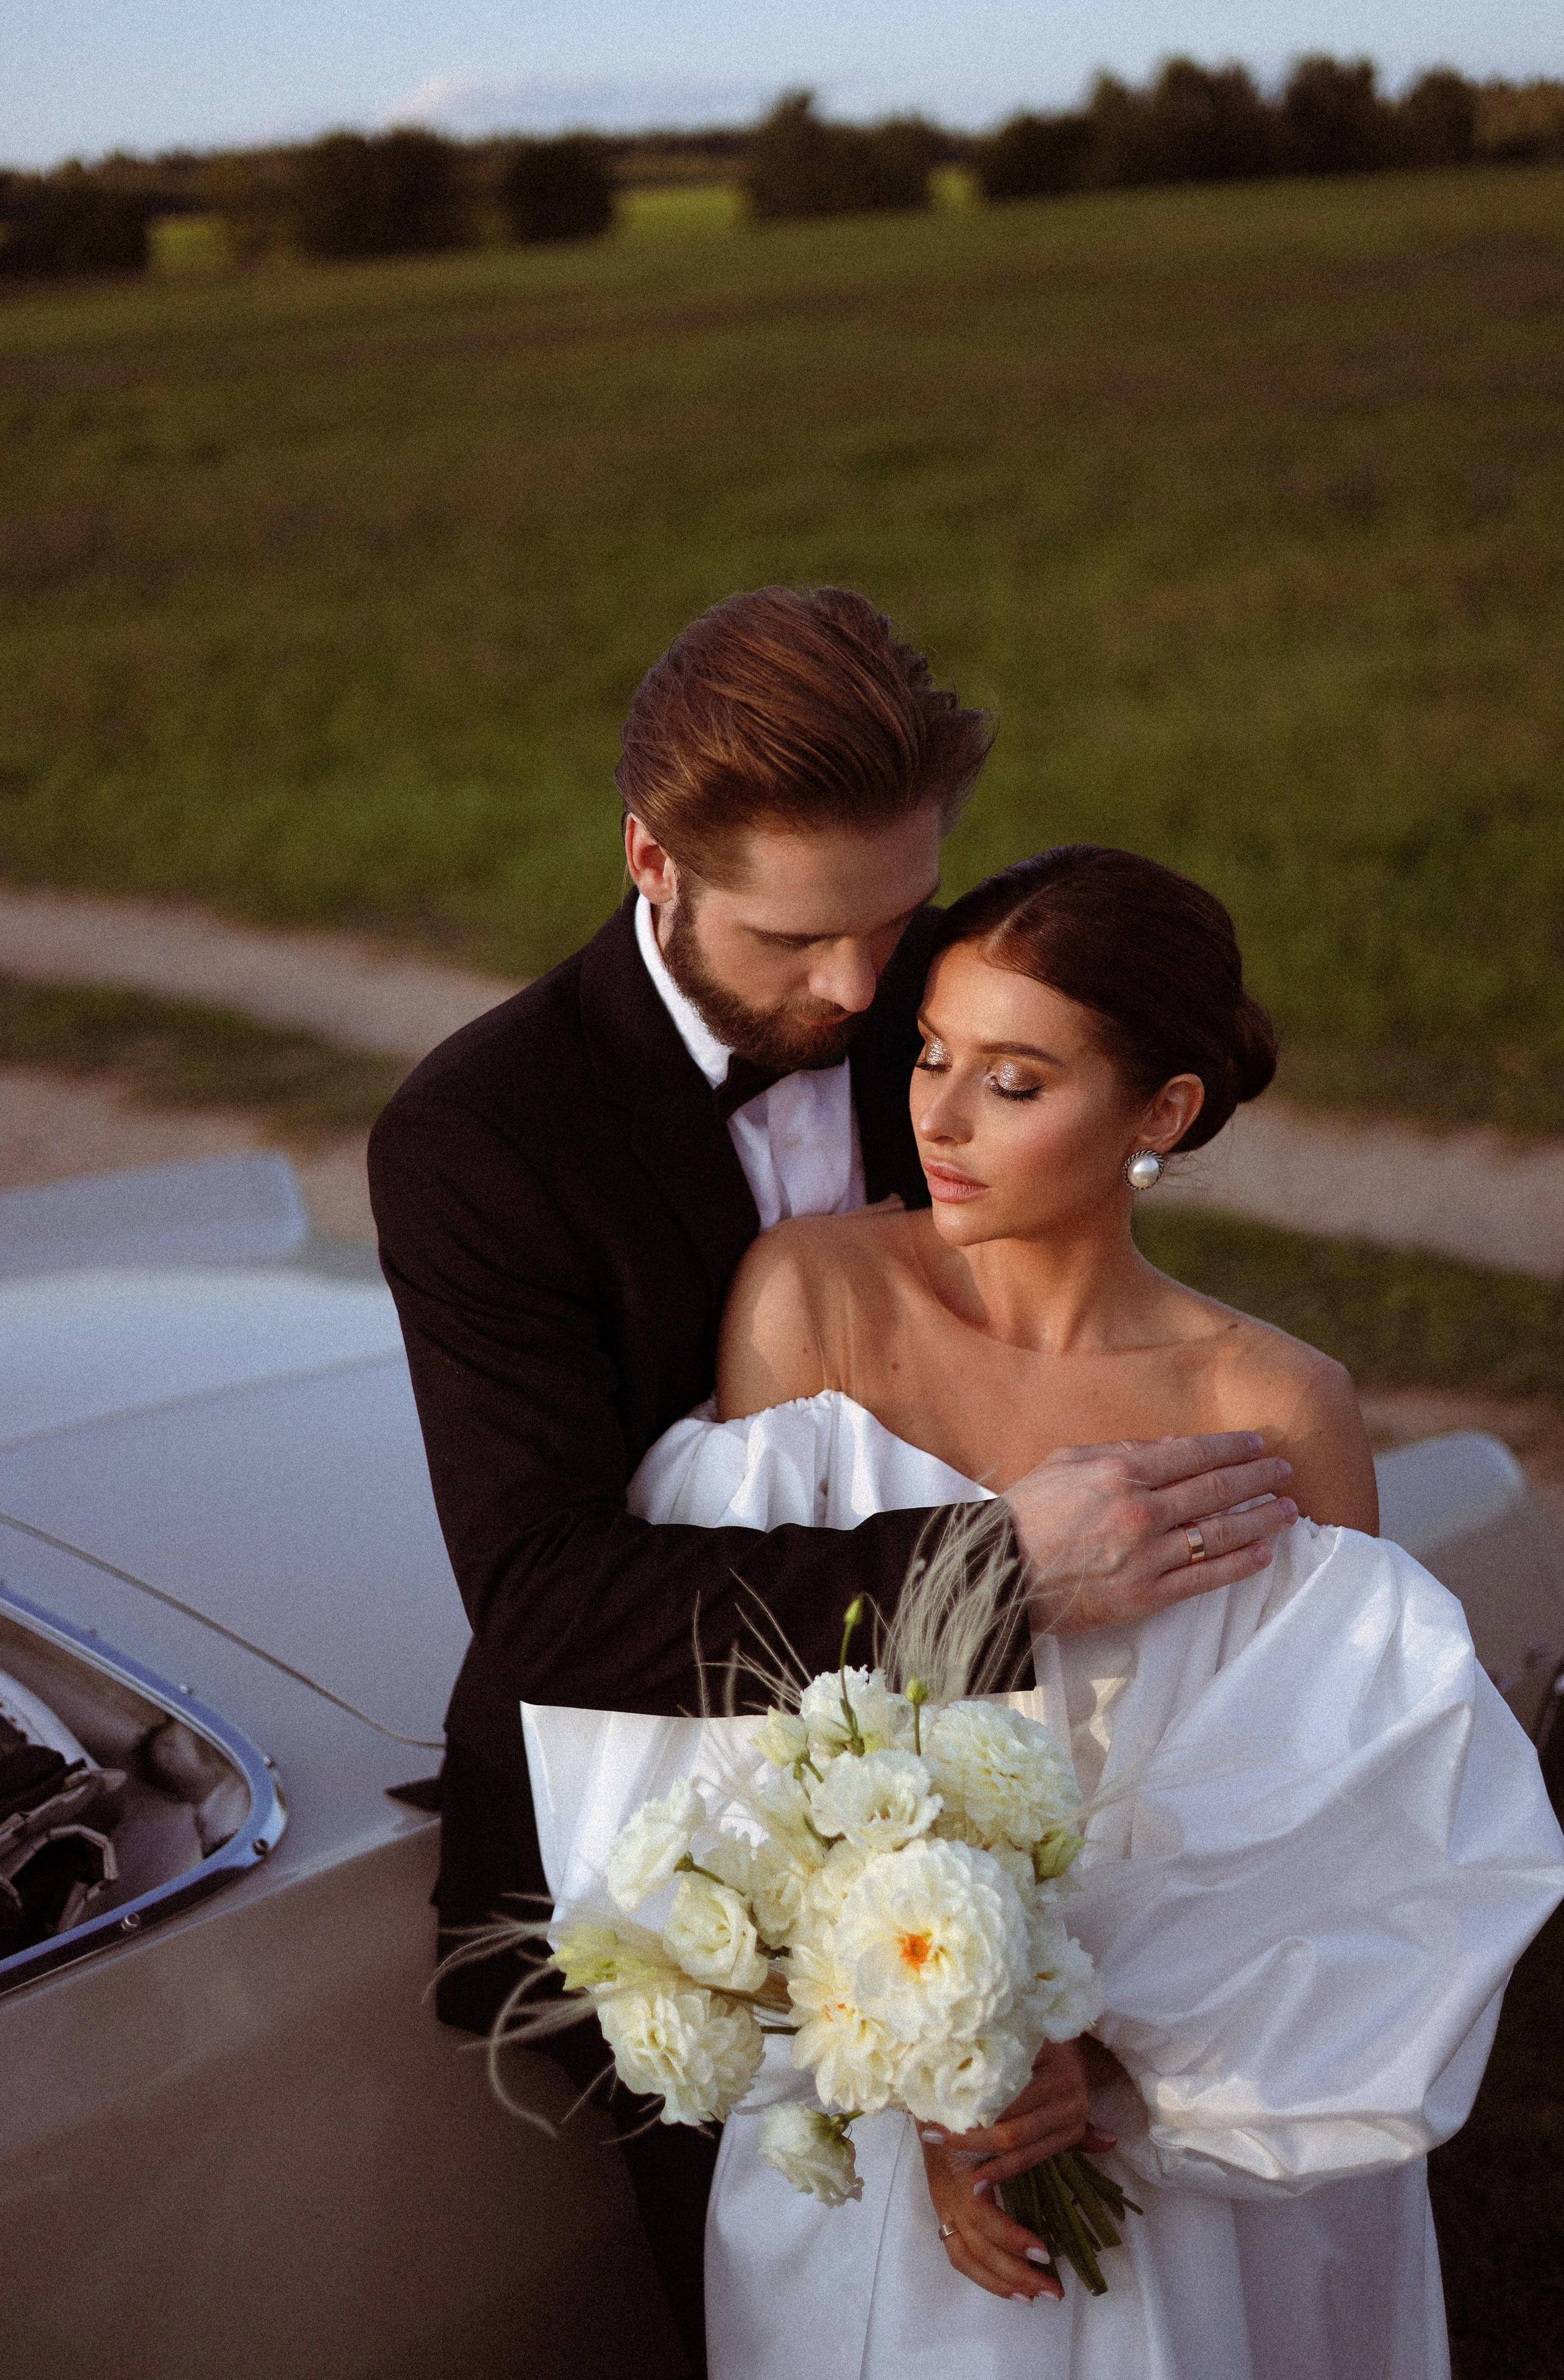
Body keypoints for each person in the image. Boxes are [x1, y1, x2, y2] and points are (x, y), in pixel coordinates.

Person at [367, 589, 1297, 2375]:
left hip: (1037, 1815)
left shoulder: (940, 994)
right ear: (653, 858)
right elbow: (550, 1593)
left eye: (898, 916)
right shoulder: (481, 1138)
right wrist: (992, 1572)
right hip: (675, 1845)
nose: (869, 993)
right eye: (803, 939)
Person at [524, 842, 1564, 2379]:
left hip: (1178, 2120)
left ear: (1161, 1115)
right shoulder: (811, 1301)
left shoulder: (1268, 1408)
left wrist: (1080, 2059)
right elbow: (733, 1737)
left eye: (1014, 1083)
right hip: (865, 2103)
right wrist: (926, 2057)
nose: (935, 1118)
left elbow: (1336, 1825)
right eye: (930, 1056)